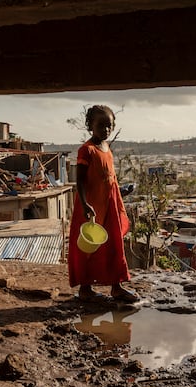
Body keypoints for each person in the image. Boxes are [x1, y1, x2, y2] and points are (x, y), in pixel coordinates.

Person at [67, 105, 139, 303]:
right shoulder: (86, 150)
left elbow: (109, 178)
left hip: (109, 205)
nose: (106, 130)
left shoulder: (107, 148)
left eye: (109, 126)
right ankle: (85, 288)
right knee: (88, 249)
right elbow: (80, 180)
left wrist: (120, 192)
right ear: (90, 125)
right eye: (101, 125)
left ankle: (117, 286)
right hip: (91, 208)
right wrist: (84, 203)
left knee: (114, 245)